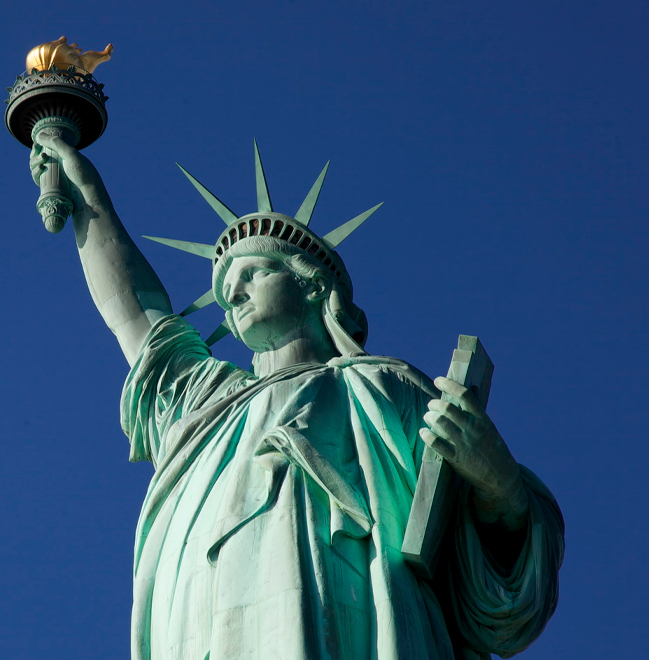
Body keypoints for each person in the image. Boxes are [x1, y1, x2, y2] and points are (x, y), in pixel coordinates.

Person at [29, 134, 564, 660]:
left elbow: (499, 597)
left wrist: (501, 489)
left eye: (252, 273)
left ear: (311, 284)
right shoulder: (205, 401)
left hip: (352, 616)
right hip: (199, 623)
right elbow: (136, 317)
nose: (232, 294)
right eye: (224, 290)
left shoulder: (381, 386)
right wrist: (86, 193)